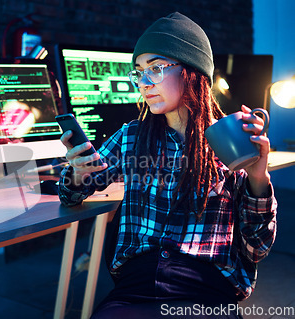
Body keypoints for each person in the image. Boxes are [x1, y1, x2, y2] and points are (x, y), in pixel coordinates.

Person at [57, 12, 277, 318]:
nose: (144, 83)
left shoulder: (233, 142)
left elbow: (258, 249)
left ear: (192, 71)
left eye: (156, 69)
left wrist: (258, 177)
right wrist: (78, 174)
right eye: (138, 73)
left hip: (206, 289)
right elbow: (70, 196)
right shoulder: (132, 136)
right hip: (135, 287)